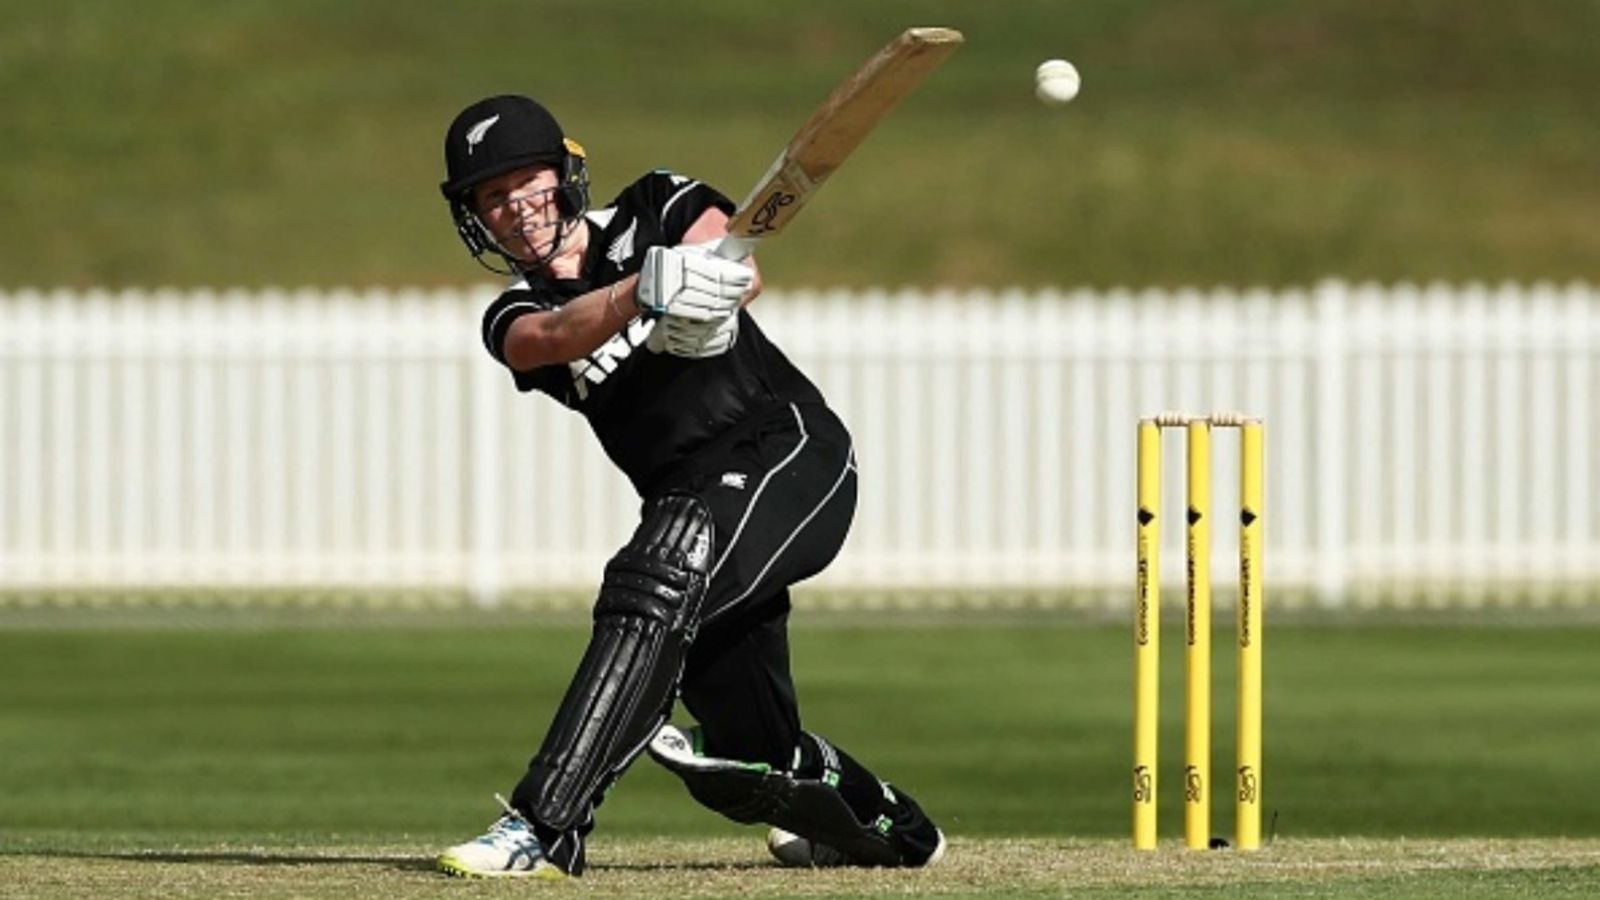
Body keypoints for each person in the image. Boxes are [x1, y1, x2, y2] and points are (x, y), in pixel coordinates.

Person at [432, 94, 945, 879]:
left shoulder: (654, 202)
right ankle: (893, 826)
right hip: (691, 500)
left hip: (789, 453)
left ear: (564, 176)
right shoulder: (516, 310)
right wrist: (640, 293)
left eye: (525, 184)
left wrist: (709, 288)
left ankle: (544, 827)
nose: (514, 209)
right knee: (753, 757)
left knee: (656, 571)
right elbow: (548, 341)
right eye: (492, 199)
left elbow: (736, 261)